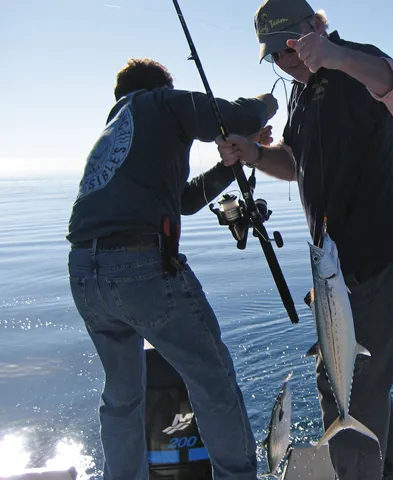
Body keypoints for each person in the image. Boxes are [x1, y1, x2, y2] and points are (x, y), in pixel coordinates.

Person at [215, 2, 393, 478]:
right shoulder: (301, 93)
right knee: (352, 374)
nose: (286, 59)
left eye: (292, 45)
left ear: (316, 27)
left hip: (381, 250)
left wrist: (335, 56)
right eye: (274, 54)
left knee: (346, 389)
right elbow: (294, 162)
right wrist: (252, 153)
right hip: (334, 263)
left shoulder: (358, 62)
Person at [66, 57, 278, 480]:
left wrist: (225, 167)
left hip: (84, 271)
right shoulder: (160, 103)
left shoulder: (115, 132)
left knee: (123, 396)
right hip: (140, 264)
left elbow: (181, 201)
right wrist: (269, 101)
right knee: (212, 381)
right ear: (162, 86)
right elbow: (233, 116)